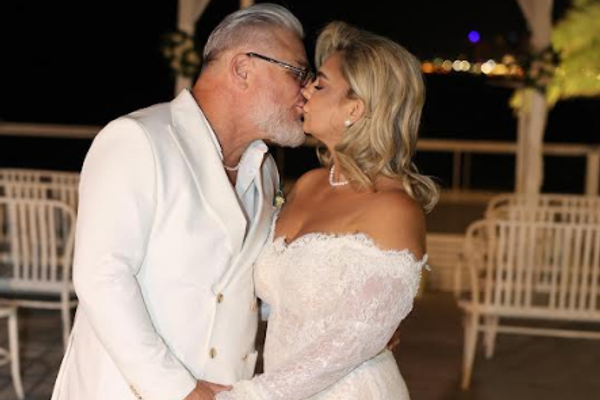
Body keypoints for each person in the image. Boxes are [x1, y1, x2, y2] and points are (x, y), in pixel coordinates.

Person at [50, 4, 311, 400]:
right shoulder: (137, 139)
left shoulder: (265, 170)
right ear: (243, 69)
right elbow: (101, 276)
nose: (306, 91)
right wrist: (180, 390)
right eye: (297, 73)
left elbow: (243, 289)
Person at [215, 21, 439, 400]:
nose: (304, 90)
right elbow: (281, 301)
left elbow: (351, 340)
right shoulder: (308, 185)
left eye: (319, 85)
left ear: (354, 108)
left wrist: (246, 397)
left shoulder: (393, 209)